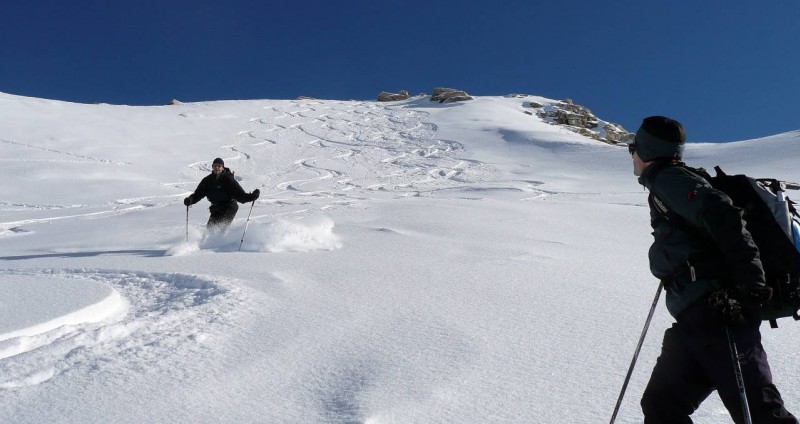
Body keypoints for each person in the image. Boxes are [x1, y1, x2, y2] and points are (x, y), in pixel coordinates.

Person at [631, 116, 797, 423]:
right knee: (661, 405)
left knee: (761, 413)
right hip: (695, 320)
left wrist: (750, 278)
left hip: (719, 311)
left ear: (642, 149)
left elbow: (722, 212)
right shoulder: (667, 184)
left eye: (632, 147)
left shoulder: (669, 178)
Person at [184, 157, 260, 231]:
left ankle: (228, 242)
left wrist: (252, 196)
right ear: (212, 167)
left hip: (229, 207)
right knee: (209, 231)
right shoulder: (207, 181)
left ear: (223, 167)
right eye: (214, 166)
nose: (216, 168)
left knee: (220, 229)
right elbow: (198, 194)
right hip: (216, 208)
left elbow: (240, 196)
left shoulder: (228, 180)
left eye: (219, 166)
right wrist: (190, 200)